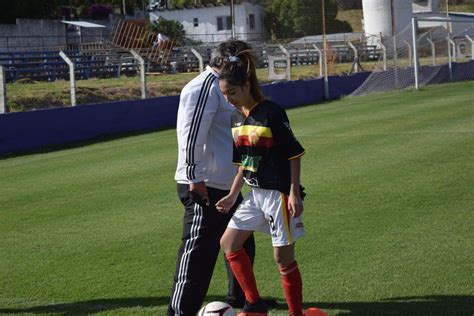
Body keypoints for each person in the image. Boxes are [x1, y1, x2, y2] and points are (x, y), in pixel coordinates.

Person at [167, 40, 275, 316]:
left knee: (241, 242)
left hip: (227, 185)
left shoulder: (226, 87)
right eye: (242, 63)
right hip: (203, 184)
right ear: (227, 62)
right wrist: (195, 179)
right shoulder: (203, 88)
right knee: (198, 252)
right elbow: (190, 137)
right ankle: (180, 311)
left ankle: (243, 299)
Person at [216, 49, 306, 316]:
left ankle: (296, 314)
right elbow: (244, 162)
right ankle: (254, 305)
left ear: (246, 85)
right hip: (255, 195)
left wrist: (293, 193)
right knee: (229, 243)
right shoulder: (234, 118)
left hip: (278, 195)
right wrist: (233, 194)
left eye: (232, 92)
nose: (228, 99)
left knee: (283, 259)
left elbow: (294, 153)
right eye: (223, 94)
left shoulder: (272, 112)